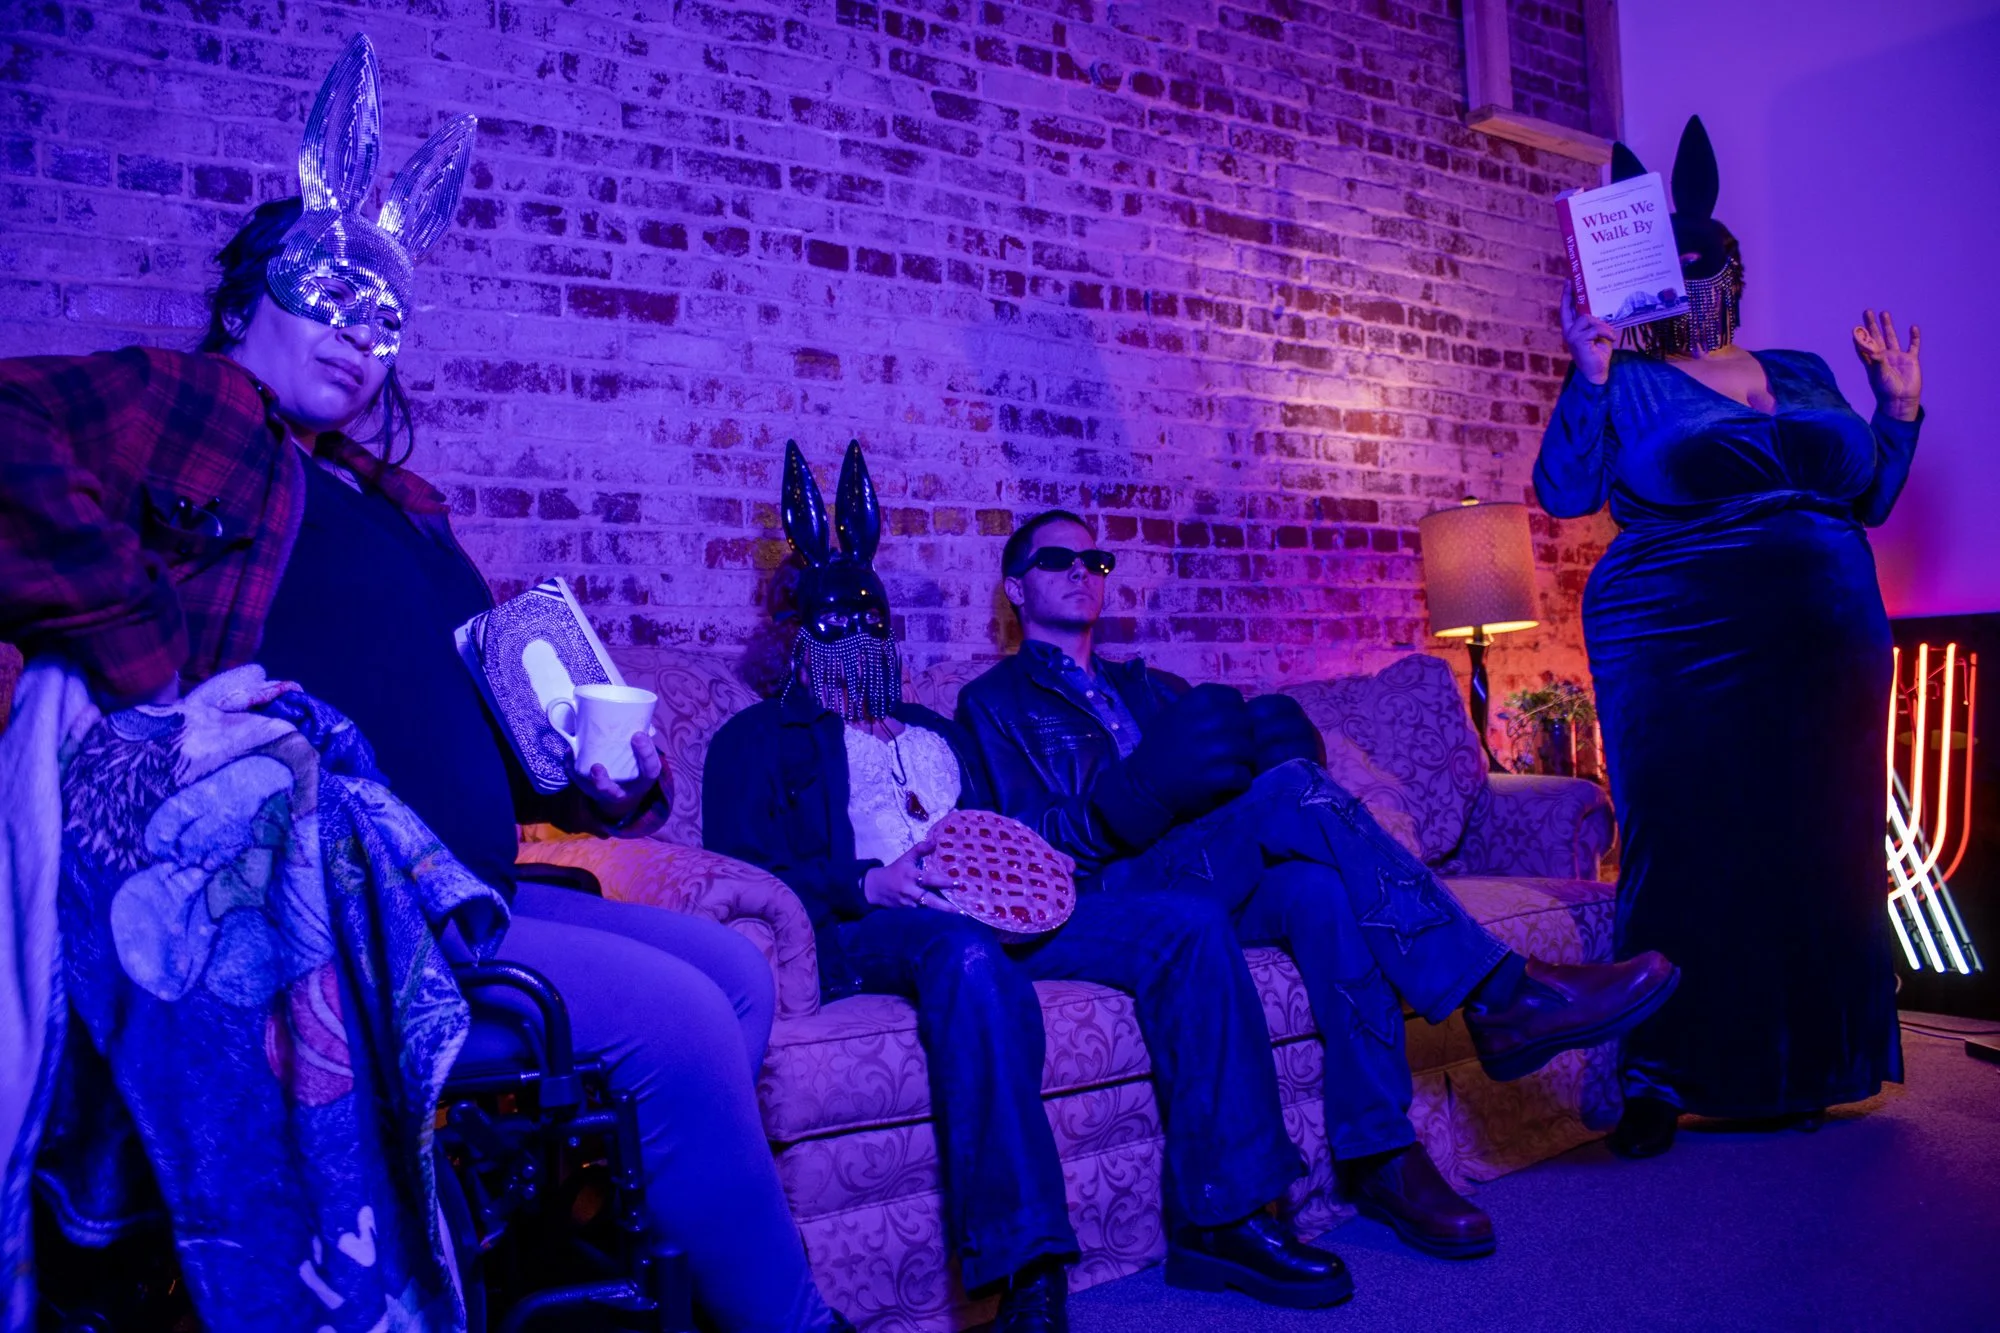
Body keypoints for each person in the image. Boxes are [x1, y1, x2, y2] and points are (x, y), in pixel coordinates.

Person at [0, 37, 841, 1333]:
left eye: (385, 318)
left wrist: (611, 775)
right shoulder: (202, 410)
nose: (358, 334)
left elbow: (508, 746)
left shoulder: (404, 504)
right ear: (245, 299)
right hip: (326, 917)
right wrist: (150, 679)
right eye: (329, 292)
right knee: (677, 1018)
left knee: (734, 976)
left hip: (461, 895)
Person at [706, 442, 1358, 1323]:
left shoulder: (937, 729)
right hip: (880, 925)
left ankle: (1228, 1214)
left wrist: (1032, 871)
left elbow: (1007, 830)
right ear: (799, 635)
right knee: (968, 956)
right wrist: (869, 880)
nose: (856, 642)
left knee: (1187, 922)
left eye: (872, 625)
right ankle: (1028, 1264)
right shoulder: (757, 739)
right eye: (835, 628)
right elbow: (745, 873)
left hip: (1004, 909)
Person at [956, 509, 1681, 1262]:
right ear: (1014, 585)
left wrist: (1255, 756)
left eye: (1096, 561)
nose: (1082, 571)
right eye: (1057, 561)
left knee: (1323, 894)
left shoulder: (1154, 688)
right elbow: (1022, 849)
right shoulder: (993, 703)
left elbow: (1214, 795)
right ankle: (1501, 991)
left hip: (1200, 875)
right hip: (1119, 895)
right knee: (1298, 788)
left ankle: (1379, 1150)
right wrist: (1129, 794)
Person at [1534, 116, 1923, 1157]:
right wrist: (1586, 373)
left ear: (1727, 274)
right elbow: (1562, 492)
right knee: (1687, 850)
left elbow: (1872, 497)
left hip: (1825, 638)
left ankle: (1804, 1064)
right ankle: (1663, 1072)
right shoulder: (1628, 376)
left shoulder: (1798, 367)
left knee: (1819, 849)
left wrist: (1896, 411)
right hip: (1676, 638)